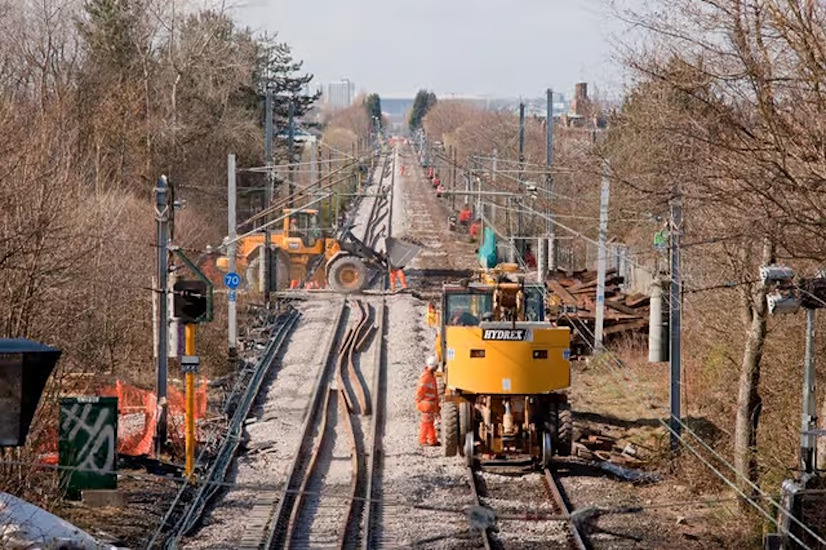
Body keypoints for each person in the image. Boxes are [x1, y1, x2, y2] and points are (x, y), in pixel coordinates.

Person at [415, 356, 440, 446]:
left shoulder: (430, 376)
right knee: (426, 423)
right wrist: (418, 401)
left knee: (429, 423)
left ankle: (432, 440)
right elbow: (420, 390)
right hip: (426, 404)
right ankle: (422, 440)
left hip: (429, 404)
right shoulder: (426, 376)